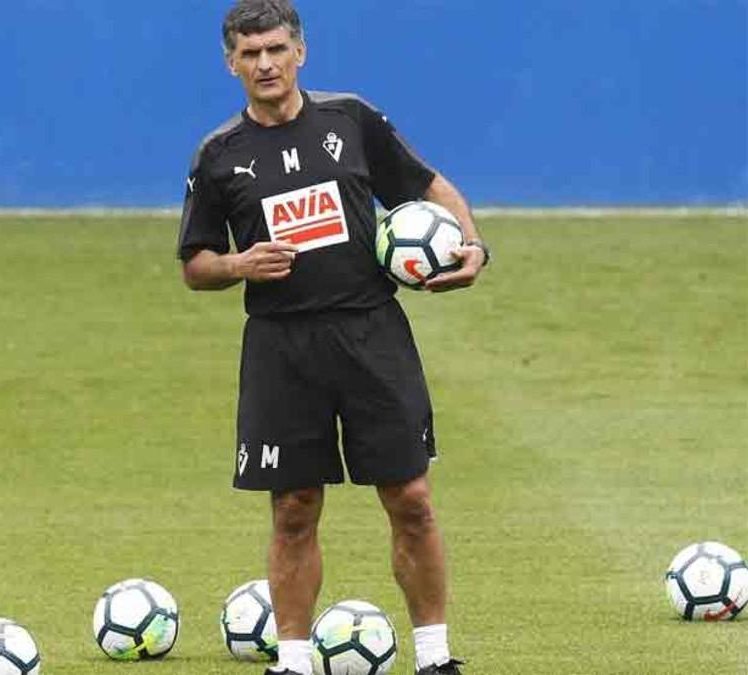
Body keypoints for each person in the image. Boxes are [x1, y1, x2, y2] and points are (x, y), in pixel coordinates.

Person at [177, 2, 489, 674]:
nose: (265, 64)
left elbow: (428, 184)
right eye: (250, 53)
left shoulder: (350, 120)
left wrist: (472, 243)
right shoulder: (219, 155)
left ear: (301, 53)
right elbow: (194, 263)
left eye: (276, 49)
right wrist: (239, 263)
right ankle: (291, 660)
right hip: (281, 346)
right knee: (293, 505)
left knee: (409, 496)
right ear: (230, 62)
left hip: (371, 333)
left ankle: (434, 656)